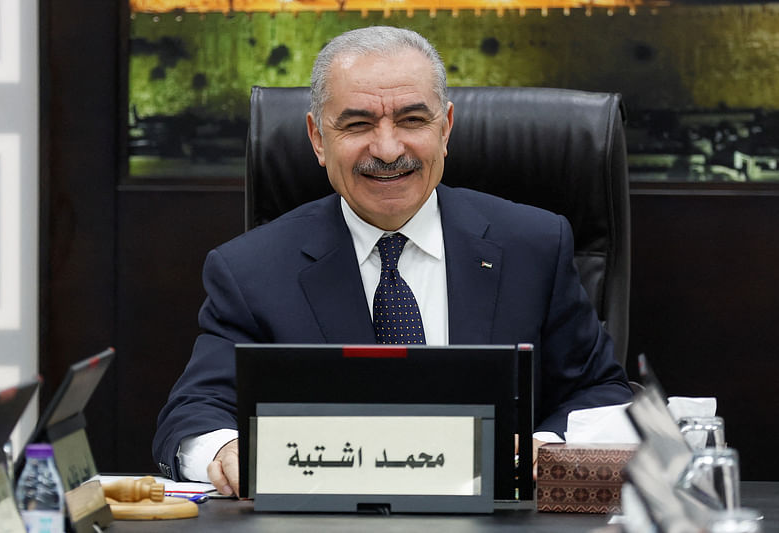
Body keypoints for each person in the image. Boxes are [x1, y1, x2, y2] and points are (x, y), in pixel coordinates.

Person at [153, 26, 633, 496]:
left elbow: (601, 393)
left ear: (445, 128)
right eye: (358, 124)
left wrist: (542, 449)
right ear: (318, 138)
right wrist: (223, 451)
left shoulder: (534, 245)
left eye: (411, 120)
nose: (387, 149)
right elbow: (193, 413)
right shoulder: (250, 271)